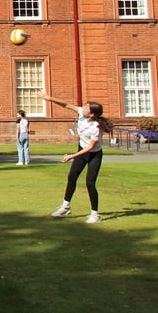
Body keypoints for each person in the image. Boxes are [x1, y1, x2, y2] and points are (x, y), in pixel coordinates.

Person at [41, 92, 112, 224]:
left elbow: (90, 147)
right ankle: (65, 206)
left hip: (94, 154)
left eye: (86, 107)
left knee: (90, 183)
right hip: (82, 151)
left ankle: (95, 214)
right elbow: (66, 105)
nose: (83, 108)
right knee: (72, 177)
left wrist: (72, 156)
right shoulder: (81, 114)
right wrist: (49, 98)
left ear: (92, 114)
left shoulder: (96, 128)